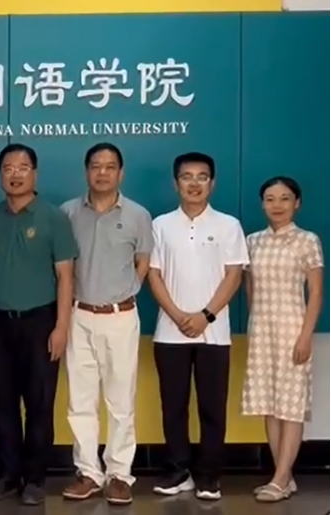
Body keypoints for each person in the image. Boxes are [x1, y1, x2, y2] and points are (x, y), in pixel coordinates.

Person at [0, 144, 77, 505]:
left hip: (41, 322)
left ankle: (35, 479)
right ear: (0, 175)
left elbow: (66, 276)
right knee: (1, 404)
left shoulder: (53, 217)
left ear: (34, 173)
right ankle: (7, 475)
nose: (15, 174)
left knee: (39, 403)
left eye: (23, 167)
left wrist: (61, 326)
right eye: (8, 168)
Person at [148, 152, 248, 500]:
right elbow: (153, 274)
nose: (194, 183)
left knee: (212, 407)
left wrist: (205, 315)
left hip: (214, 333)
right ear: (176, 183)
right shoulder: (160, 225)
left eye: (201, 177)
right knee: (173, 406)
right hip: (169, 331)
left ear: (212, 183)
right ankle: (178, 471)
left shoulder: (228, 225)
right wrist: (178, 315)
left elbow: (234, 275)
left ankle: (208, 475)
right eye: (186, 177)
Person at [59, 143, 152, 505]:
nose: (102, 172)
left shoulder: (138, 215)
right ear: (86, 171)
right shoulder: (68, 212)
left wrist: (128, 290)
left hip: (121, 316)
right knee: (80, 399)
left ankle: (119, 475)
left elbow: (143, 261)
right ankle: (88, 473)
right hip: (79, 314)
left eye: (109, 167)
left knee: (120, 399)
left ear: (120, 173)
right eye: (96, 166)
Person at [242, 176, 323, 502]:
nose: (277, 205)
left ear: (297, 203)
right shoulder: (253, 241)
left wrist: (305, 336)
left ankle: (278, 479)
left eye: (285, 198)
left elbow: (315, 292)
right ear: (263, 204)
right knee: (269, 405)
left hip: (293, 330)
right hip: (262, 331)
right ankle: (283, 476)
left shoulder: (307, 240)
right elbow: (250, 287)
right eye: (270, 199)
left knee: (291, 406)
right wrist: (255, 323)